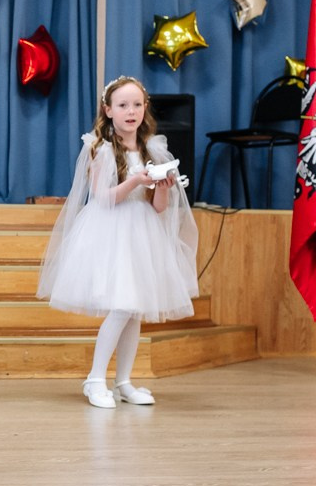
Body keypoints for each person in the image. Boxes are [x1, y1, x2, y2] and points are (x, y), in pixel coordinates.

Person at [37, 76, 198, 409]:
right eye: (123, 105)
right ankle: (95, 378)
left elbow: (158, 208)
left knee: (134, 309)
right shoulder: (101, 148)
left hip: (142, 232)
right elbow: (103, 198)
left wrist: (162, 186)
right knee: (122, 305)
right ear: (108, 110)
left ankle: (123, 380)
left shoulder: (152, 148)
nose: (131, 111)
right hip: (111, 231)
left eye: (137, 105)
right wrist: (136, 180)